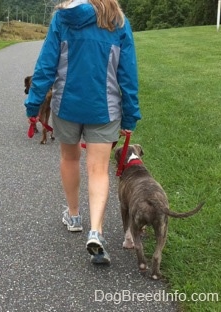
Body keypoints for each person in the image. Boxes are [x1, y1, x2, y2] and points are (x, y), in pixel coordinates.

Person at [24, 0, 141, 264]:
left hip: (67, 106)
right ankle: (96, 231)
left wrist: (33, 103)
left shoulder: (62, 19)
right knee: (98, 168)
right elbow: (128, 74)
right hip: (105, 108)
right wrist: (130, 113)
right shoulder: (118, 21)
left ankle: (74, 216)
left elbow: (45, 66)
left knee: (70, 158)